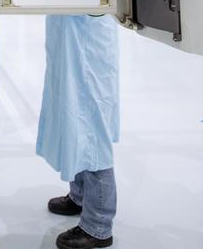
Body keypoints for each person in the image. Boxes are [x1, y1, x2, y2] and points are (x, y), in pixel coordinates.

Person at [37, 14, 120, 249]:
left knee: (91, 130)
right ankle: (80, 196)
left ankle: (98, 225)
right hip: (70, 27)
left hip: (87, 34)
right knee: (72, 118)